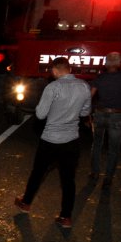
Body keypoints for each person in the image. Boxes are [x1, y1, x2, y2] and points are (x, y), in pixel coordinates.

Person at [14, 57, 91, 228]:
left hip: (50, 139)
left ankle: (26, 203)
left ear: (56, 70)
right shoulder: (84, 86)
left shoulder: (53, 87)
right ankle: (66, 217)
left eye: (52, 71)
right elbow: (86, 111)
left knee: (38, 172)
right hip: (71, 140)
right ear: (69, 69)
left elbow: (41, 114)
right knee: (68, 179)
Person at [89, 51, 121, 190]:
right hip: (117, 116)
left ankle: (95, 173)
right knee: (113, 149)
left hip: (100, 114)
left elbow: (90, 95)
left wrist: (87, 112)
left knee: (97, 144)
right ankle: (108, 177)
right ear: (119, 63)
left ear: (106, 64)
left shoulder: (100, 78)